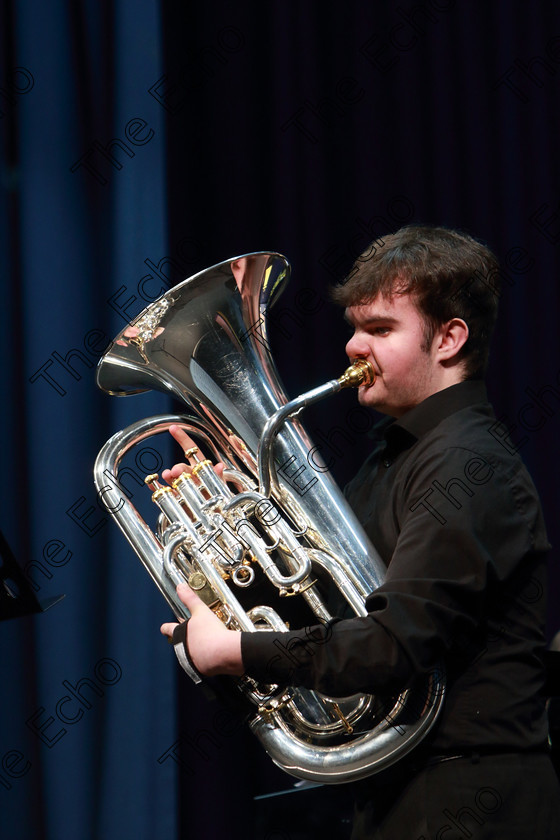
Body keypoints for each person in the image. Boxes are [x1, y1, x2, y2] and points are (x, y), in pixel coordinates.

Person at [160, 225, 560, 838]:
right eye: (354, 327)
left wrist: (236, 651)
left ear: (450, 339)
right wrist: (228, 556)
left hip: (471, 801)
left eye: (379, 329)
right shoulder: (390, 460)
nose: (351, 345)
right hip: (402, 795)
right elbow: (319, 618)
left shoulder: (468, 464)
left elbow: (393, 646)